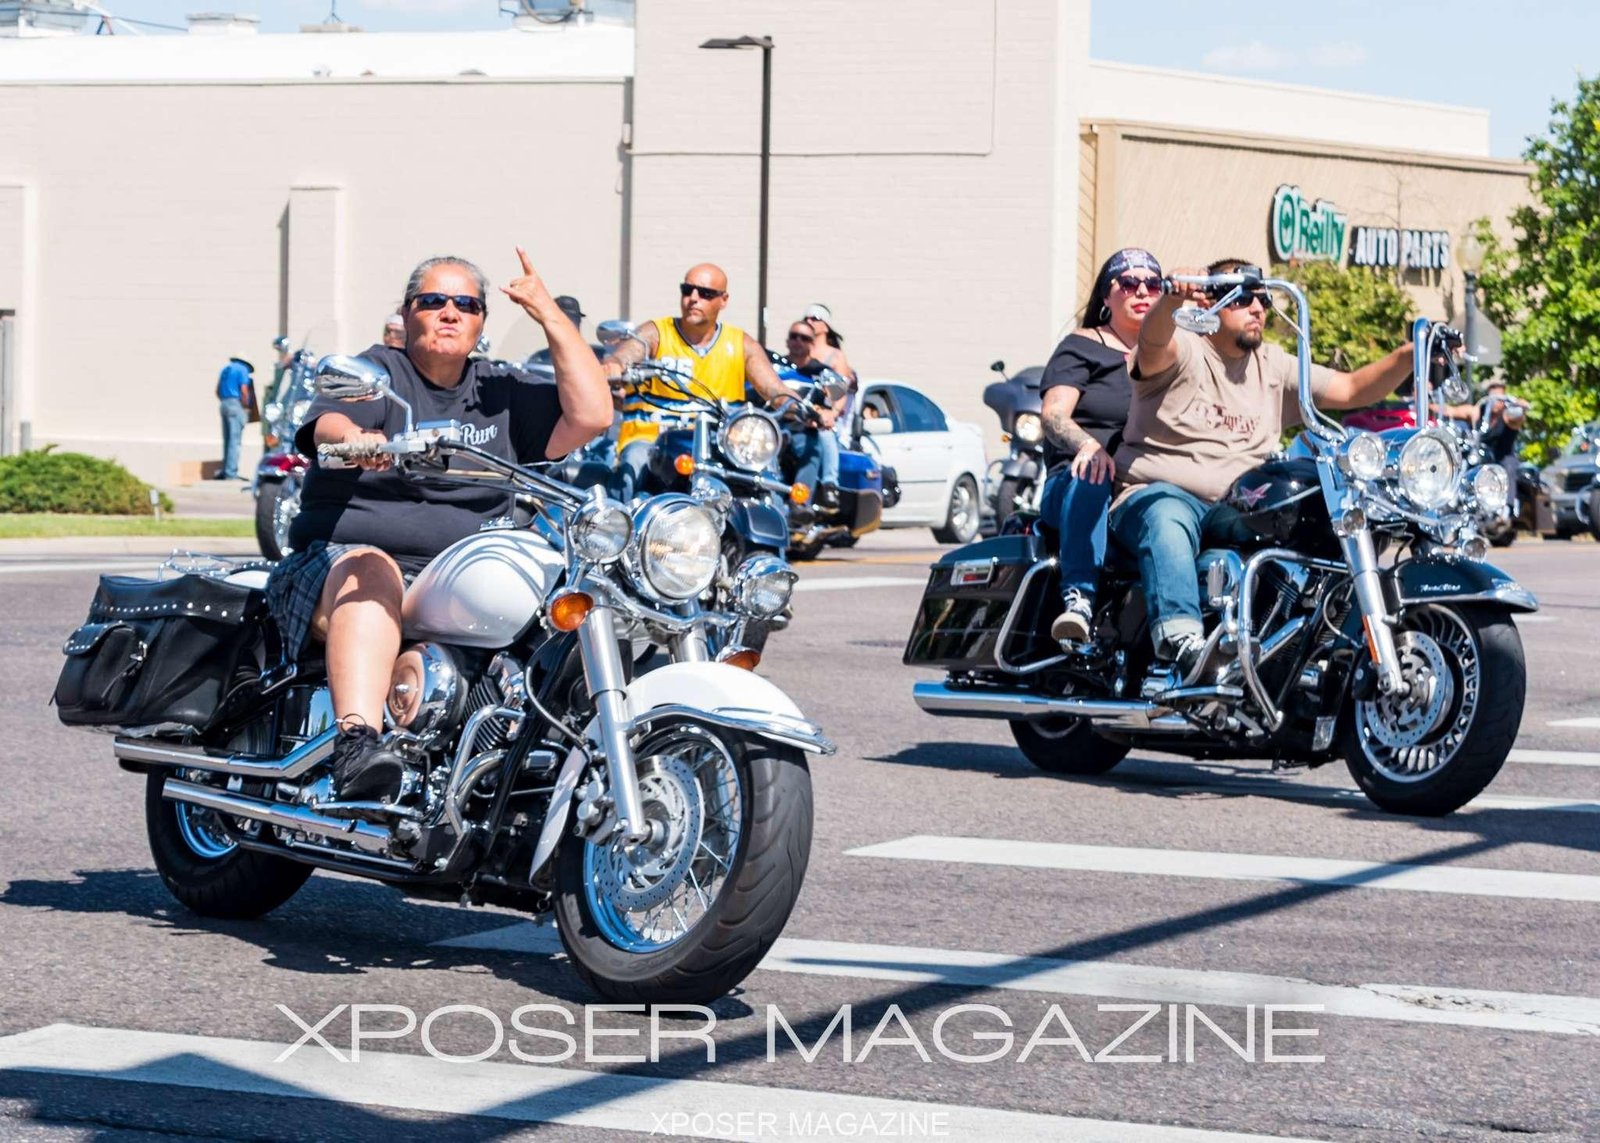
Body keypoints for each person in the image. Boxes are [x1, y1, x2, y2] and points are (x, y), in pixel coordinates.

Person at [267, 250, 611, 803]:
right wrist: (358, 440)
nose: (450, 312)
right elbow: (329, 422)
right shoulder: (380, 373)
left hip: (455, 575)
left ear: (481, 321)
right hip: (343, 564)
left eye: (466, 305)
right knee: (372, 569)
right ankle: (356, 746)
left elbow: (593, 415)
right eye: (433, 301)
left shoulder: (500, 389)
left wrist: (549, 313)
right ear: (408, 313)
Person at [1110, 257, 1415, 679]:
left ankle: (1312, 644)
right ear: (1211, 303)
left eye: (1264, 300)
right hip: (1156, 494)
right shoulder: (1183, 350)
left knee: (1316, 516)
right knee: (1167, 516)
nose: (1258, 308)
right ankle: (1183, 643)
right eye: (1244, 299)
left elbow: (1351, 388)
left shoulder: (1273, 365)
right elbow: (1153, 342)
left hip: (1234, 504)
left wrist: (1410, 354)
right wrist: (1170, 301)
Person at [1037, 248, 1162, 643]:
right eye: (1129, 283)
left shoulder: (1170, 355)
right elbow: (1053, 415)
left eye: (1153, 284)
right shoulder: (1082, 346)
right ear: (1107, 295)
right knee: (1094, 473)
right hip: (1075, 483)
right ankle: (1079, 598)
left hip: (1138, 483)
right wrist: (1088, 445)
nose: (1141, 291)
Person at [600, 263, 802, 502]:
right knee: (633, 462)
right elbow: (626, 354)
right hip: (651, 441)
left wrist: (803, 408)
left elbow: (774, 389)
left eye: (705, 293)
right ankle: (619, 523)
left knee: (767, 483)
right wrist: (614, 365)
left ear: (723, 300)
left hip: (717, 447)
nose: (693, 298)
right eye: (687, 290)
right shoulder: (657, 333)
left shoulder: (740, 344)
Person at [781, 319, 845, 506]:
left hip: (807, 427)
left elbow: (839, 394)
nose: (798, 341)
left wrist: (831, 413)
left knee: (815, 446)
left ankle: (807, 499)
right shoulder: (776, 368)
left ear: (812, 343)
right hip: (776, 424)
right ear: (787, 341)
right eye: (794, 336)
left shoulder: (821, 372)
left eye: (804, 338)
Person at [1440, 379, 1528, 512]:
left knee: (1508, 467)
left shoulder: (1508, 416)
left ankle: (1506, 509)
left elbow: (1520, 414)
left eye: (1499, 398)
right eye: (1492, 397)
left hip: (1501, 456)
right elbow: (1450, 410)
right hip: (1479, 453)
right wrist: (1423, 402)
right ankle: (1452, 498)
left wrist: (1518, 404)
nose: (1495, 402)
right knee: (1460, 460)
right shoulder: (1478, 412)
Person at [214, 356, 254, 480]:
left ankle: (226, 470)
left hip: (224, 403)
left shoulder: (226, 369)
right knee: (234, 440)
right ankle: (231, 472)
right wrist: (246, 406)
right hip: (235, 404)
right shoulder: (242, 369)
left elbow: (217, 391)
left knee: (227, 439)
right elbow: (244, 390)